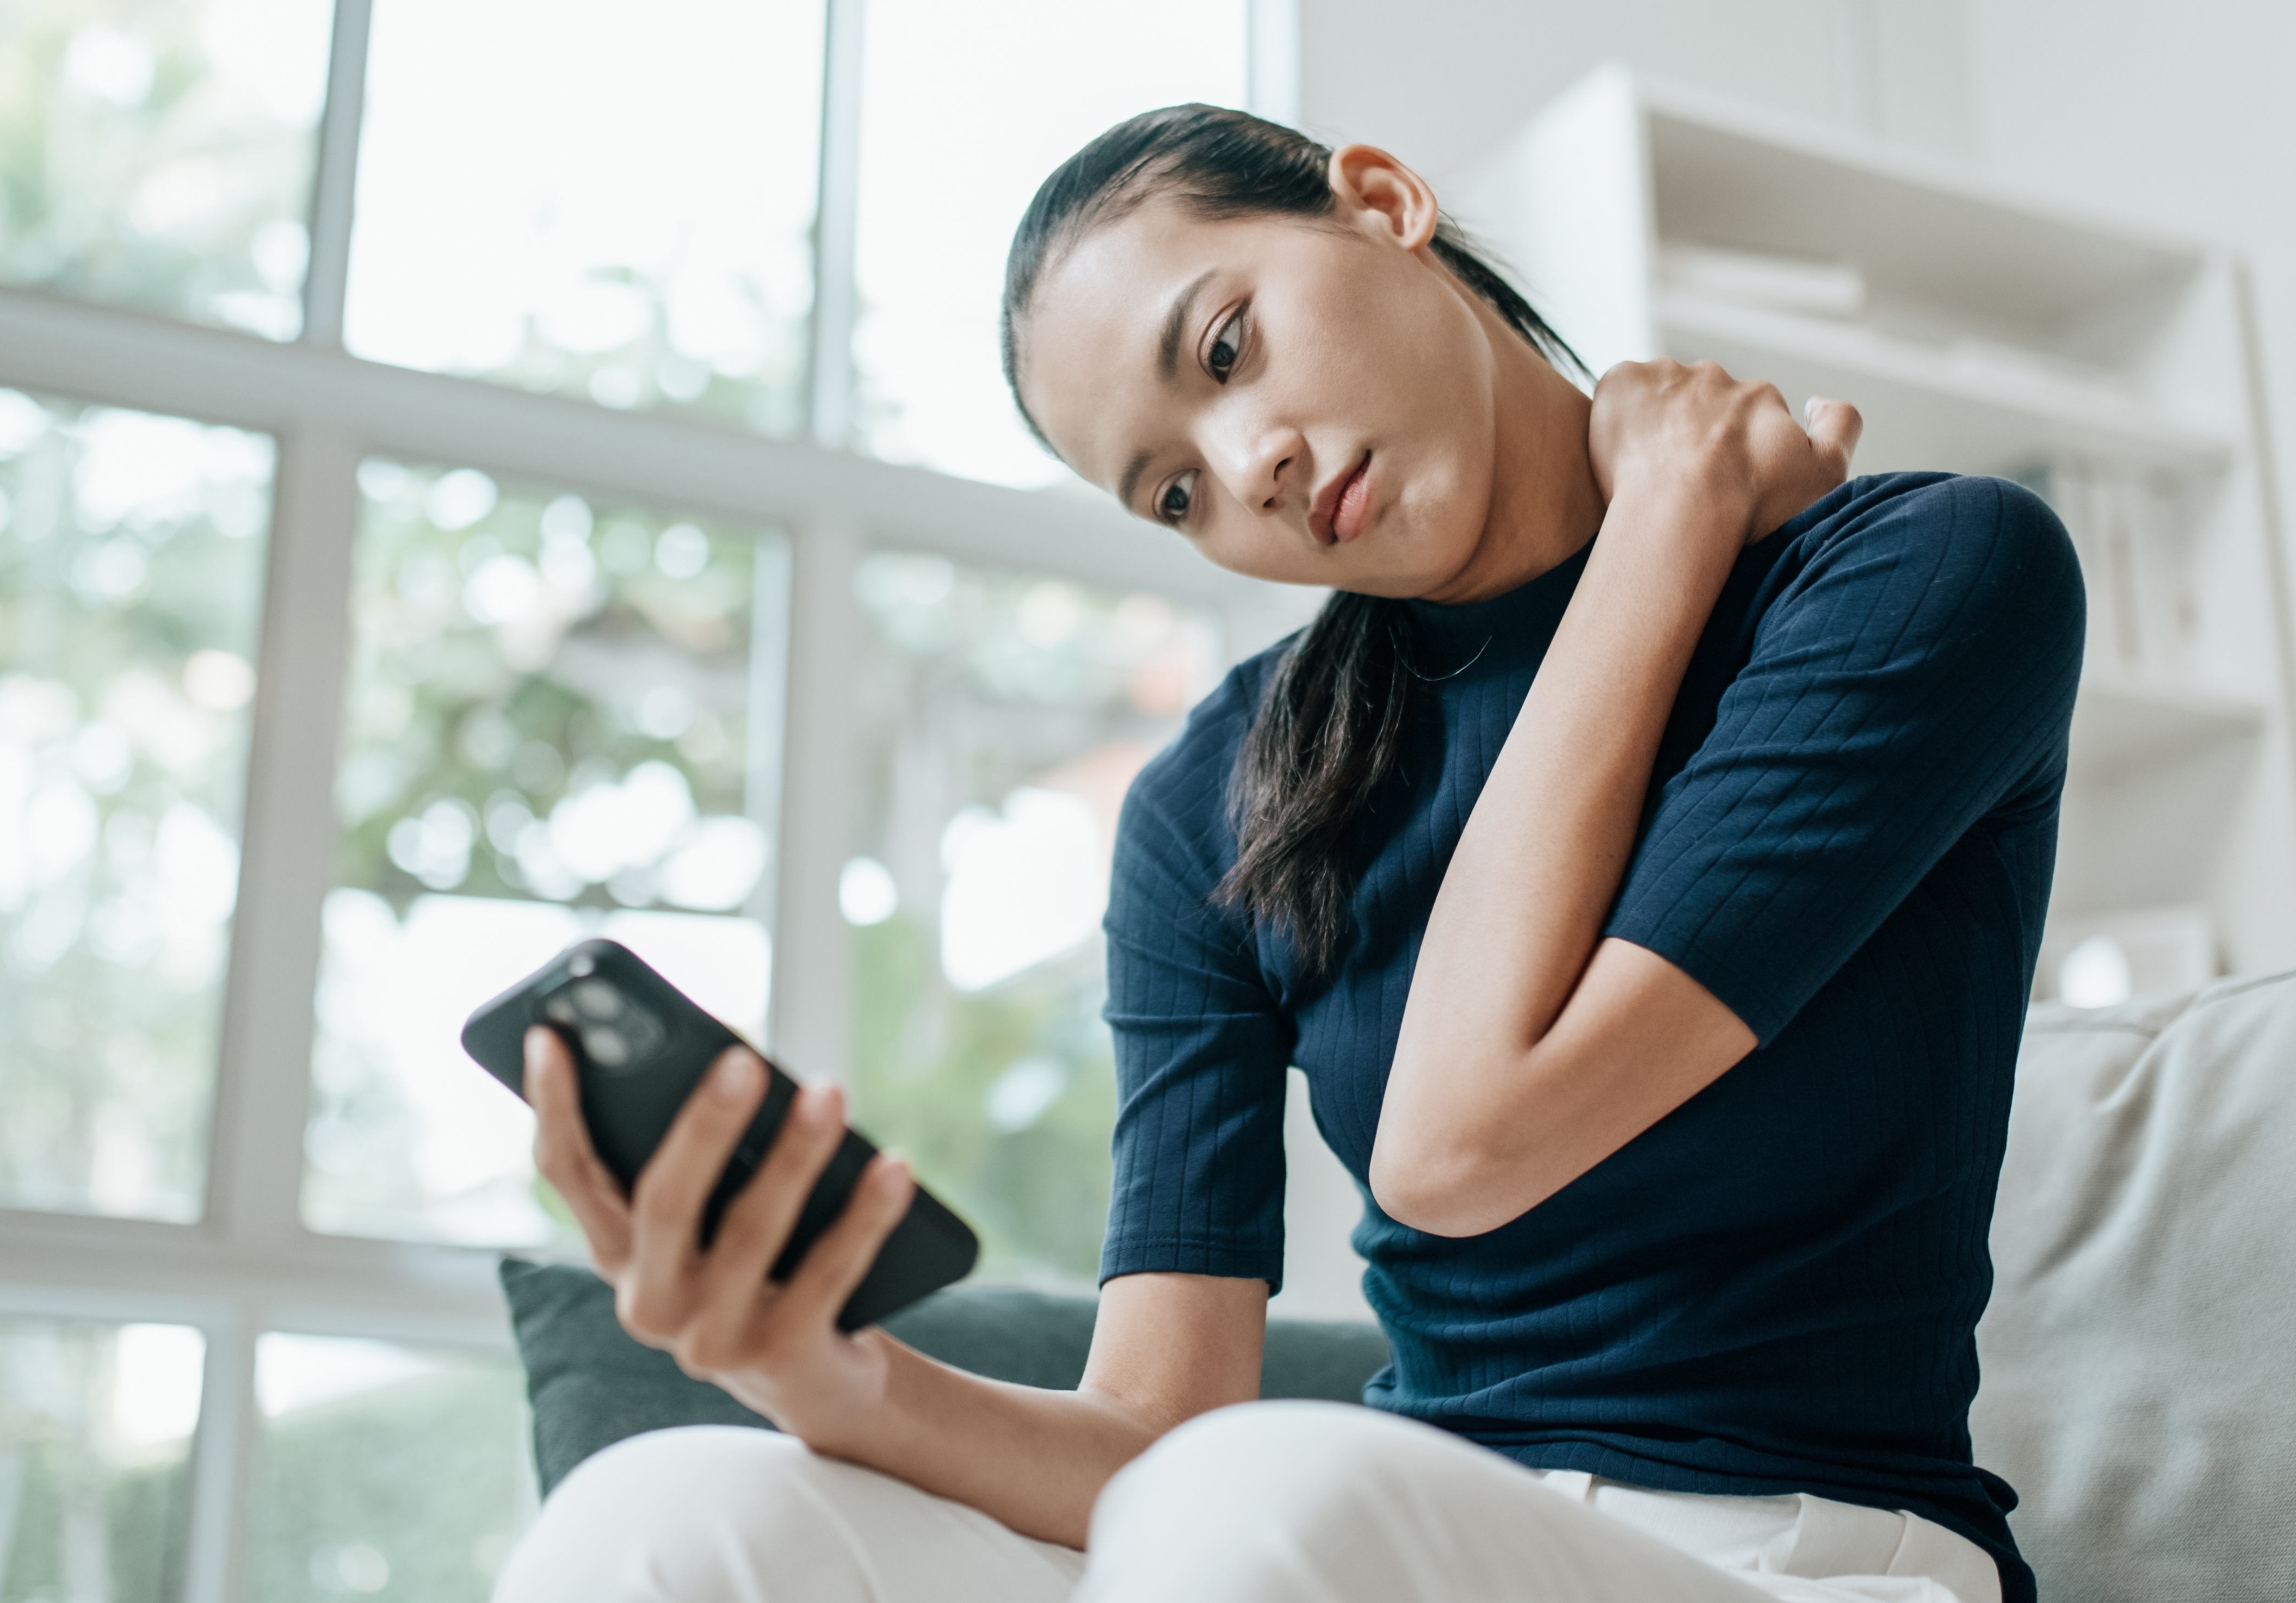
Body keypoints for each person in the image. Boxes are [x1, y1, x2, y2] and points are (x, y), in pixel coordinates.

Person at [493, 103, 2079, 1603]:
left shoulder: (1919, 580)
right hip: (1346, 1545)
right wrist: (810, 1368)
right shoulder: (1217, 800)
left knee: (1251, 1506)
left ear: (1383, 203)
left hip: (1788, 1553)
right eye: (1175, 489)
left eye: (1228, 348)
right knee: (668, 1513)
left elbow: (1461, 1142)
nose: (1245, 466)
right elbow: (1151, 1436)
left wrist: (1665, 525)